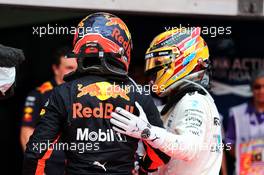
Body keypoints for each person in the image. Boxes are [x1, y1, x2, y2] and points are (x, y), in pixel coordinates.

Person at [23, 12, 170, 175]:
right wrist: (144, 167)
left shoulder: (63, 92)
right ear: (122, 46)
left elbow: (34, 153)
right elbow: (161, 153)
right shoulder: (138, 93)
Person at [110, 27, 223, 174]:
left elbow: (189, 148)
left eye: (160, 60)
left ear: (184, 58)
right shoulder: (184, 100)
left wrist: (146, 131)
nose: (153, 70)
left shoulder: (194, 100)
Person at [20, 46, 77, 175]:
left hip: (78, 163)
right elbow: (26, 132)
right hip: (49, 165)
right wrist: (36, 167)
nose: (74, 72)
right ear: (56, 69)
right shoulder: (39, 94)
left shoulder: (84, 92)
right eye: (69, 68)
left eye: (76, 68)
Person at [226, 69, 264, 175]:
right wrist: (241, 155)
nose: (261, 91)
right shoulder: (236, 113)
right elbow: (228, 143)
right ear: (252, 89)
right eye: (257, 87)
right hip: (244, 171)